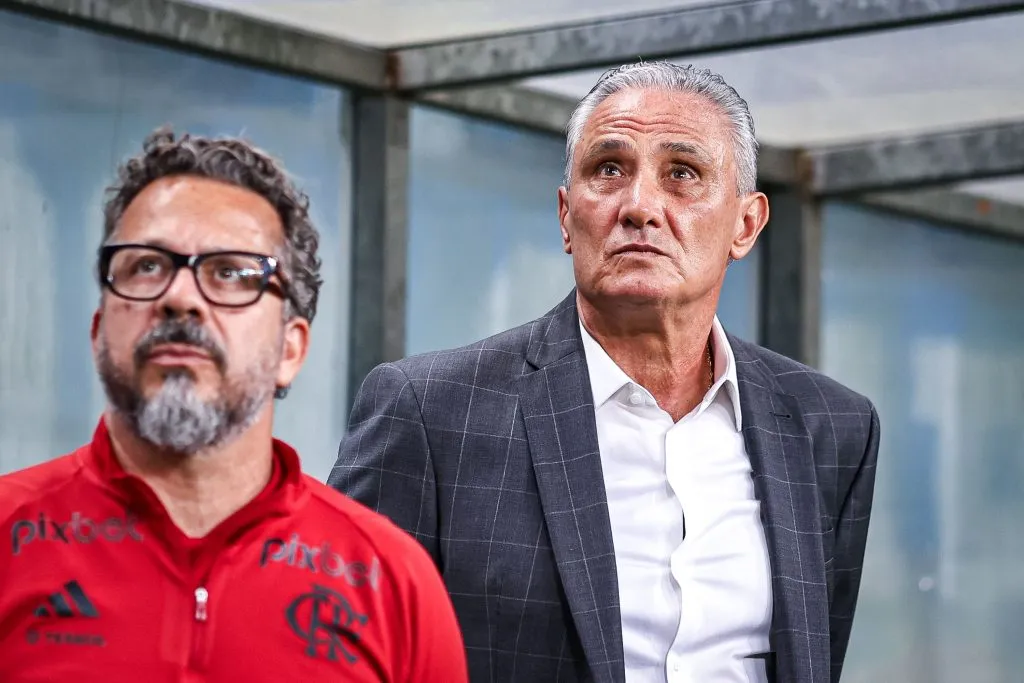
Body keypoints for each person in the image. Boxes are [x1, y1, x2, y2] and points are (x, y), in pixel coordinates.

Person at [331, 61, 880, 683]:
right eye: (609, 169)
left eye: (683, 173)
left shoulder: (829, 426)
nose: (640, 205)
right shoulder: (430, 411)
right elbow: (337, 655)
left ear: (745, 224)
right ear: (567, 216)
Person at [0, 129, 468, 683]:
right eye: (146, 266)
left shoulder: (391, 582)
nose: (179, 296)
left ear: (289, 350)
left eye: (230, 273)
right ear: (100, 328)